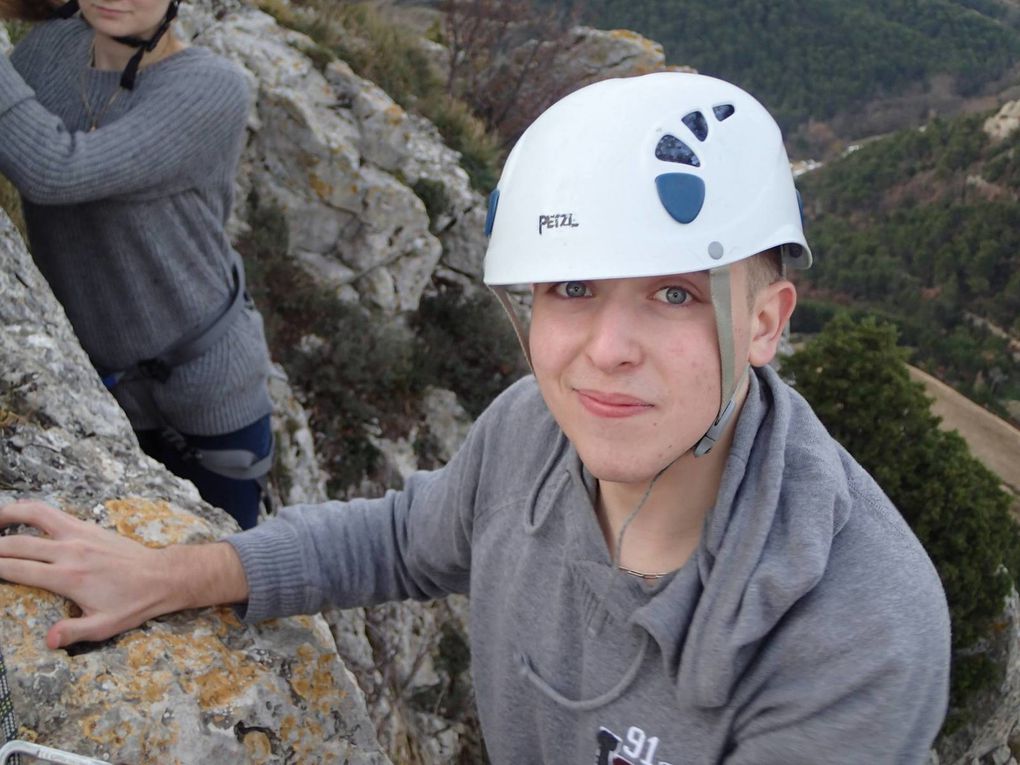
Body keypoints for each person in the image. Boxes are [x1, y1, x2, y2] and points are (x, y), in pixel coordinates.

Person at [0, 72, 951, 763]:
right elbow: (395, 541)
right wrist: (170, 573)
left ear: (766, 324)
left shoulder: (856, 631)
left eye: (674, 293)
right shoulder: (531, 432)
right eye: (573, 287)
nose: (606, 348)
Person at [0, 0, 273, 529]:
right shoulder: (49, 50)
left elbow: (55, 170)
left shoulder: (210, 88)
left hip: (209, 400)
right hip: (98, 396)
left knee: (214, 594)